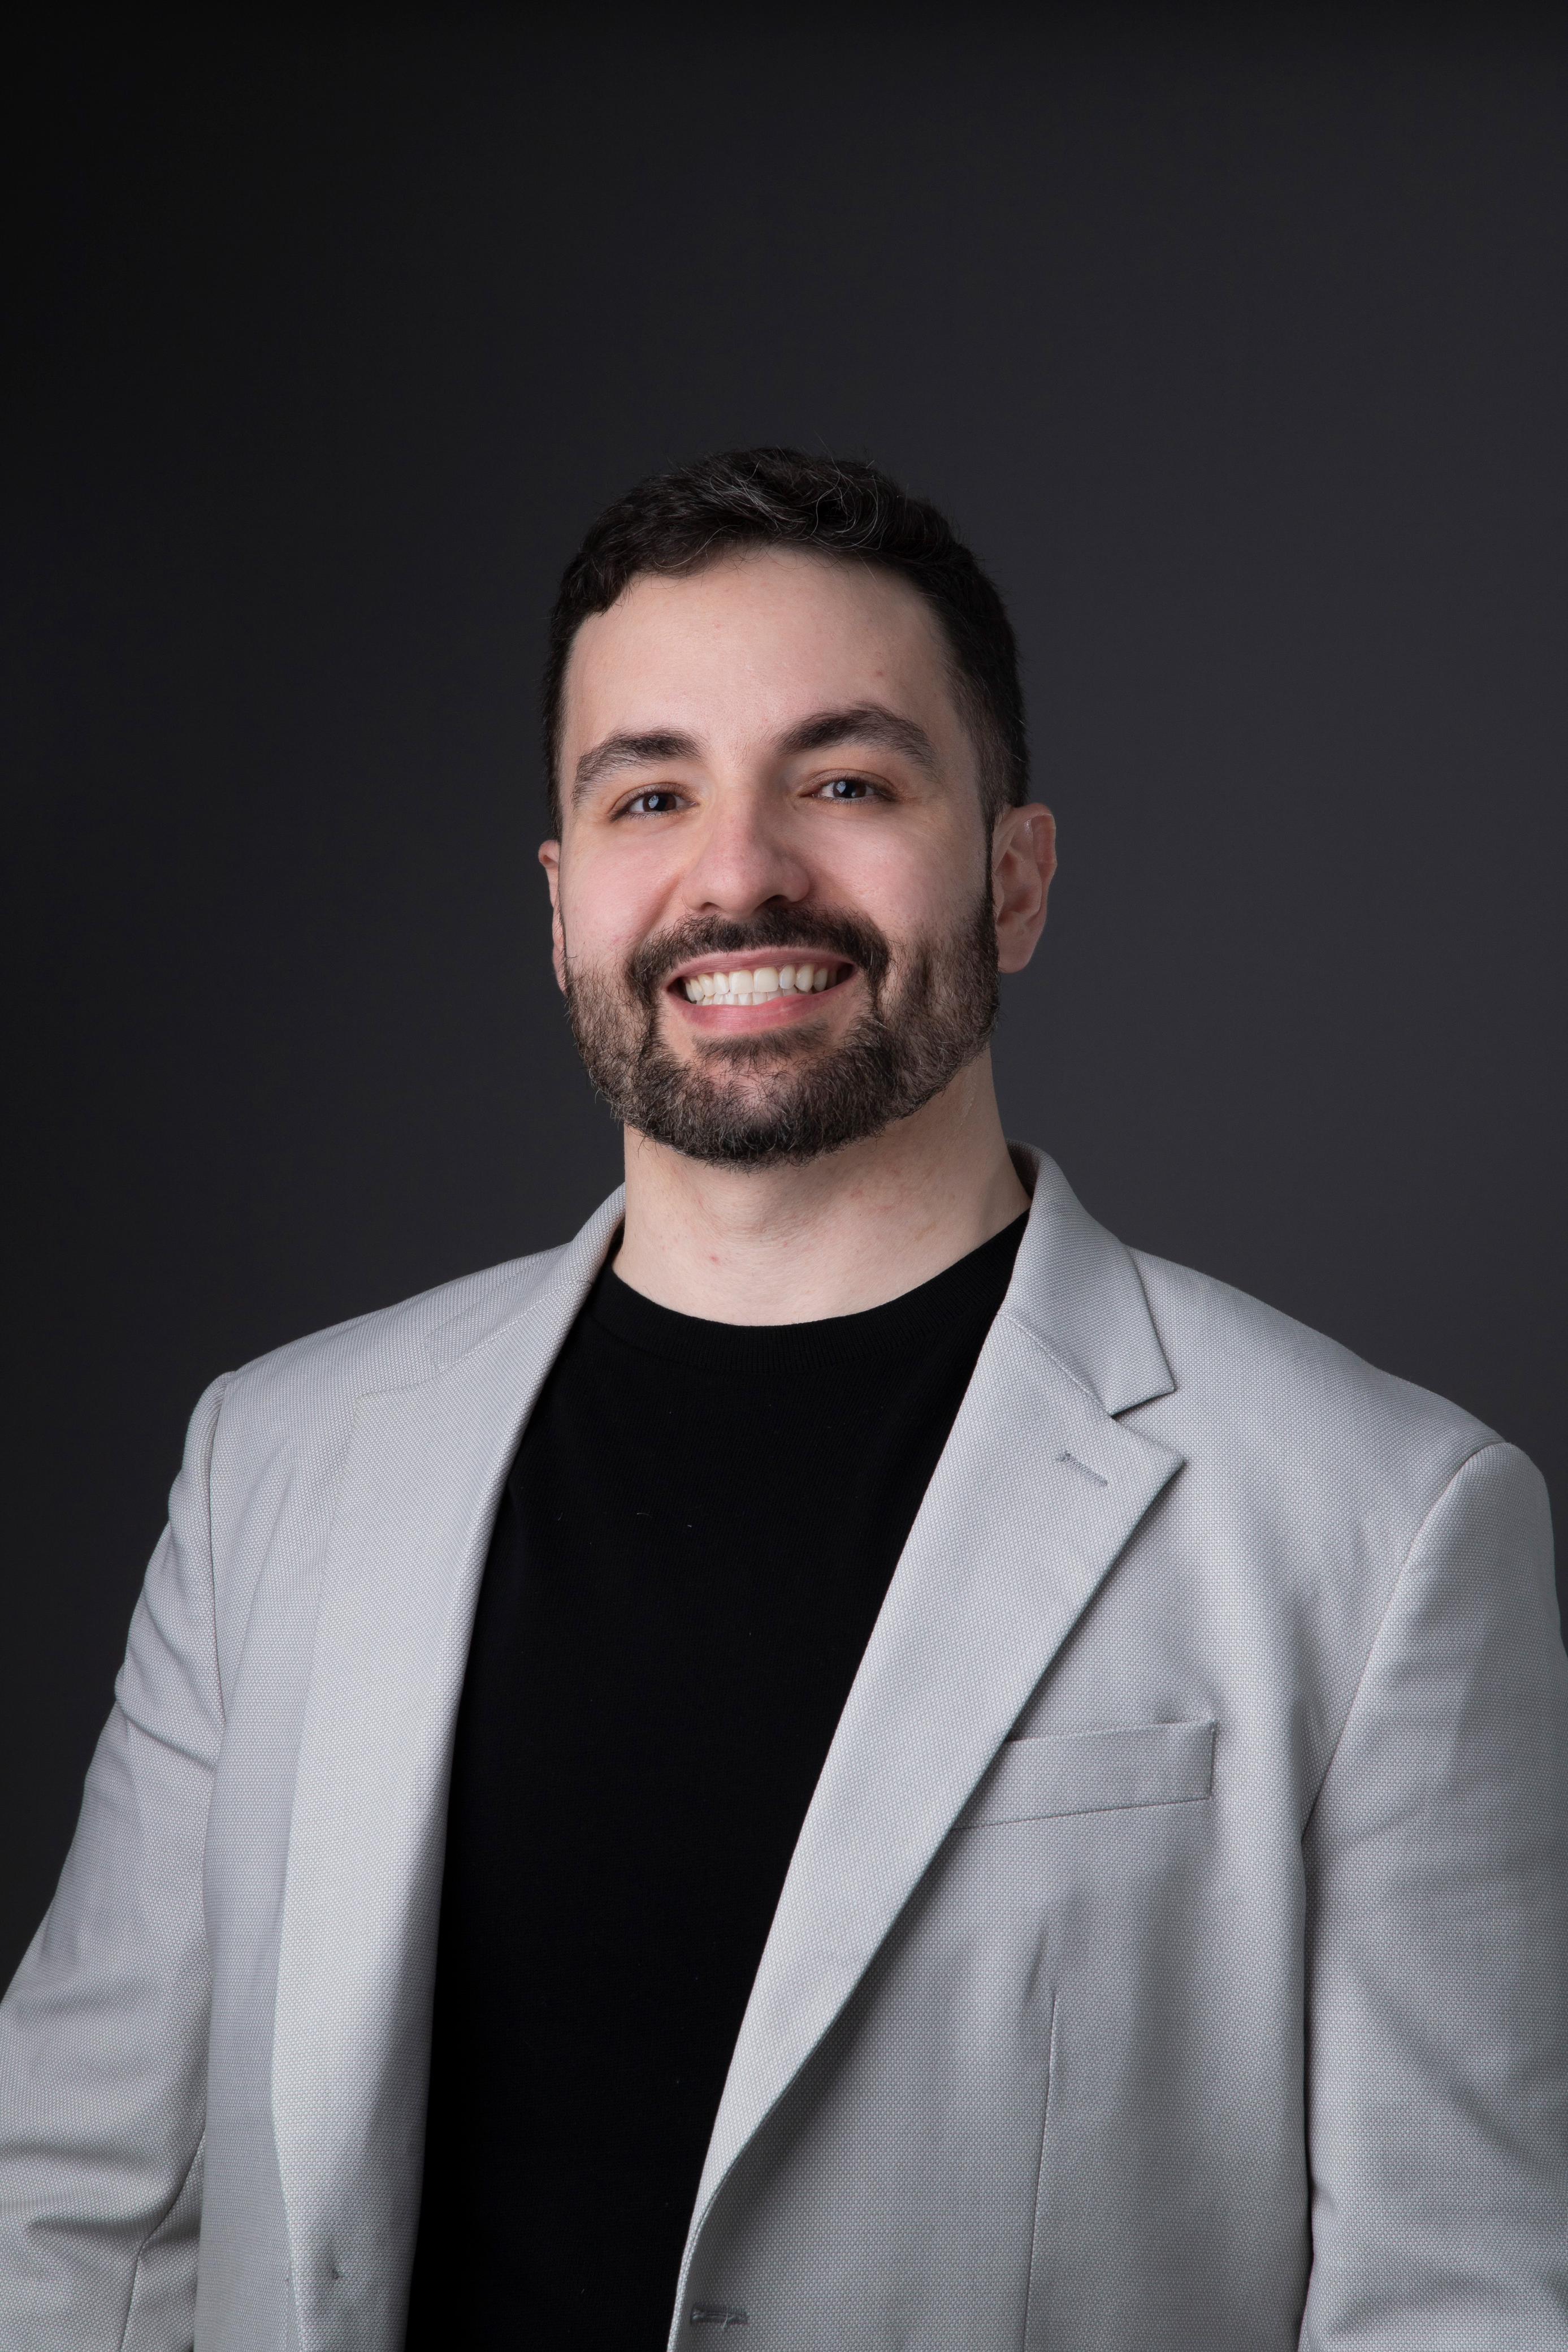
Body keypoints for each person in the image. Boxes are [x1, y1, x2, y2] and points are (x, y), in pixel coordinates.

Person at [2, 448, 1564, 2352]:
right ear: (563, 906)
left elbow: (1460, 2304)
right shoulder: (277, 1466)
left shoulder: (1386, 1526)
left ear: (1014, 878)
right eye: (651, 794)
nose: (738, 872)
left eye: (847, 781)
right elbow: (73, 2219)